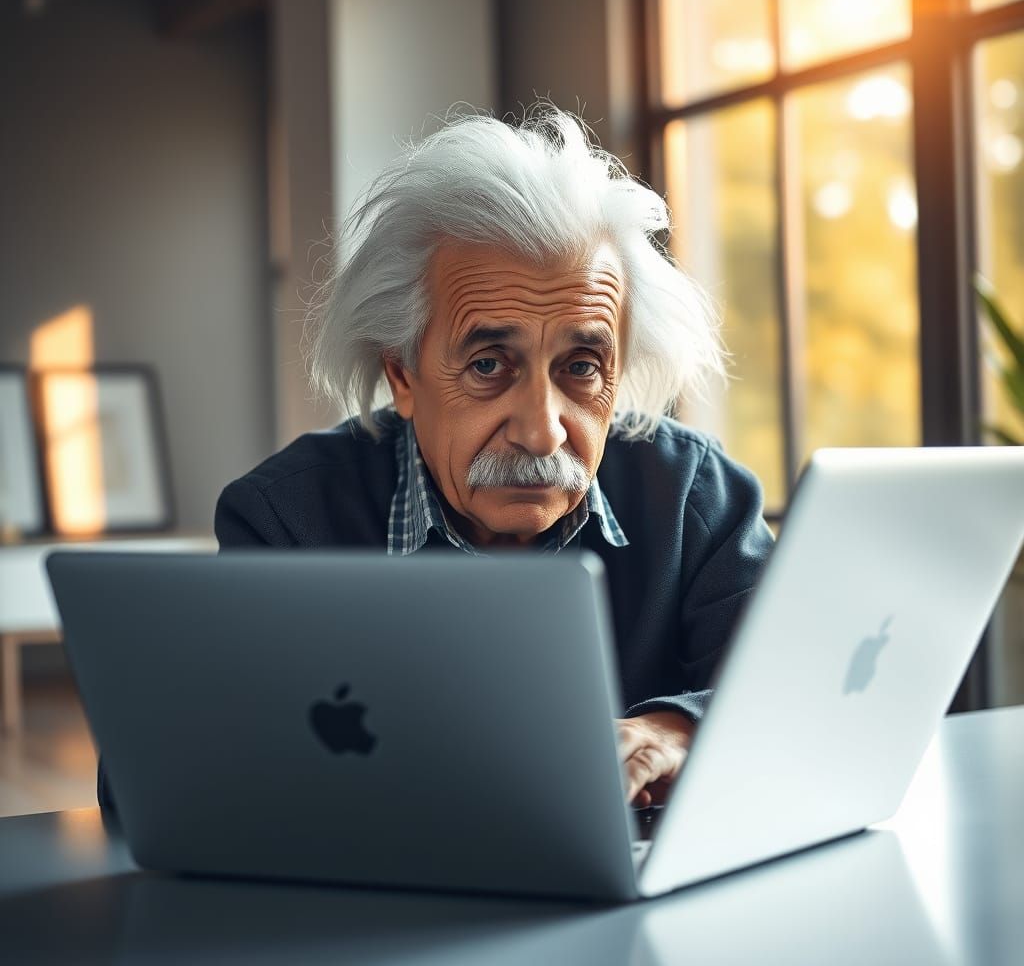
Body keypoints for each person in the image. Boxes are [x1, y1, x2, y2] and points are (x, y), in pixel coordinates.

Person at [98, 106, 773, 816]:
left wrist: (678, 727)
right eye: (488, 364)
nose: (543, 433)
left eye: (580, 366)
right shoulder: (289, 519)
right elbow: (144, 778)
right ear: (403, 376)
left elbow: (799, 680)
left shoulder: (694, 495)